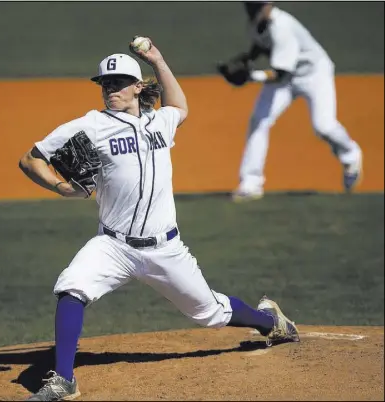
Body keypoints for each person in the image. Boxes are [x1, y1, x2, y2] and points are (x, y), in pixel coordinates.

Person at [19, 37, 300, 401]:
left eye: (118, 82)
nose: (110, 89)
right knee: (72, 287)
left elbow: (180, 107)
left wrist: (158, 60)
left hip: (166, 249)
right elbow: (31, 159)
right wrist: (60, 186)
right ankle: (63, 380)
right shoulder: (90, 125)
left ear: (137, 87)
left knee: (210, 313)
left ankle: (271, 322)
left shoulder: (160, 123)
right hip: (113, 245)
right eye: (105, 83)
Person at [229, 1, 363, 202]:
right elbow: (261, 44)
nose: (252, 10)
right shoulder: (257, 22)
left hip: (314, 74)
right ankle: (251, 183)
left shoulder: (282, 27)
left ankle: (350, 154)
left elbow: (281, 74)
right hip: (285, 77)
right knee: (259, 120)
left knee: (323, 126)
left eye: (257, 6)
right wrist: (245, 61)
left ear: (269, 5)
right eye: (250, 5)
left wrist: (250, 76)